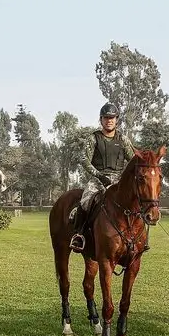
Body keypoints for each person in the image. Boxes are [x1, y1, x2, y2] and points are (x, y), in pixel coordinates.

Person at [69, 102, 135, 251]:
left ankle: (136, 236)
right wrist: (99, 175)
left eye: (112, 117)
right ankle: (79, 235)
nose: (109, 120)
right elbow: (84, 160)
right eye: (106, 117)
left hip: (119, 180)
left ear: (117, 119)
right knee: (85, 201)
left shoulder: (123, 140)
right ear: (101, 120)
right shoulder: (93, 138)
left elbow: (133, 161)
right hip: (98, 179)